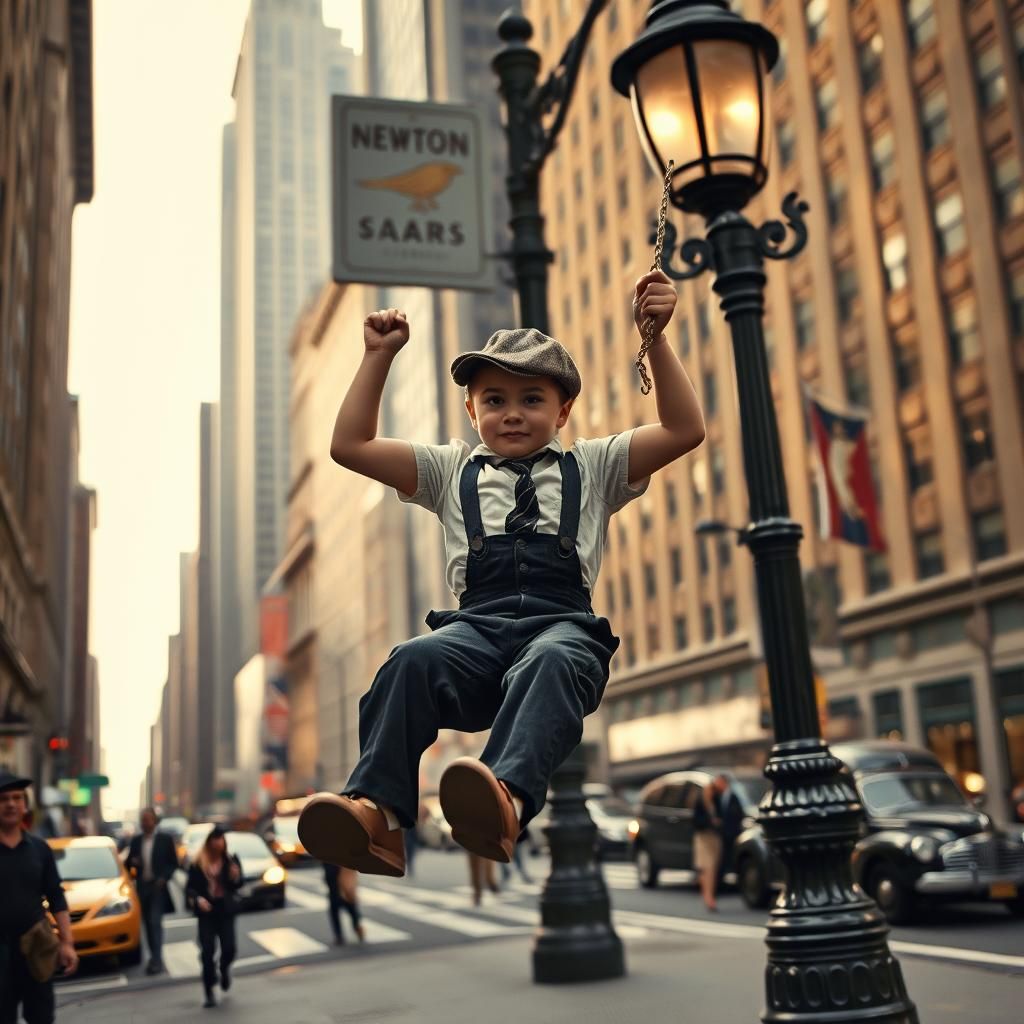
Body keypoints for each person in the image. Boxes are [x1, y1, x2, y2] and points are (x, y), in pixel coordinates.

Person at [297, 270, 703, 877]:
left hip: (559, 629)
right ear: (470, 408)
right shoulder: (446, 471)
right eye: (494, 400)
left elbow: (683, 429)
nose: (512, 414)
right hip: (476, 639)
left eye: (532, 399)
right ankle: (376, 815)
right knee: (409, 659)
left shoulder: (592, 466)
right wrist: (378, 357)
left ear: (564, 410)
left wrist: (658, 339)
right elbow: (350, 446)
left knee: (552, 657)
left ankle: (505, 802)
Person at [0, 770, 78, 1024]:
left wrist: (67, 943)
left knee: (42, 1017)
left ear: (25, 805)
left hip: (37, 949)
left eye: (16, 798)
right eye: (3, 799)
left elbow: (56, 896)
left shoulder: (40, 849)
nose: (11, 804)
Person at [185, 826, 242, 1008]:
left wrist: (235, 877)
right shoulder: (198, 862)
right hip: (206, 911)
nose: (219, 844)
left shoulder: (231, 860)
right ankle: (209, 991)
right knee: (207, 951)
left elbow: (238, 885)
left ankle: (224, 969)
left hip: (224, 910)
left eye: (222, 840)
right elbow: (189, 888)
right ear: (209, 843)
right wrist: (198, 899)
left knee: (229, 948)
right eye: (215, 840)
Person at [125, 807, 178, 975]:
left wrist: (164, 878)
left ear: (155, 821)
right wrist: (133, 862)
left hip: (158, 888)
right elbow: (128, 865)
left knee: (155, 922)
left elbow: (173, 863)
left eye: (147, 819)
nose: (145, 823)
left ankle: (156, 960)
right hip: (142, 888)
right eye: (142, 820)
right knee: (147, 924)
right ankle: (154, 957)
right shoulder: (136, 841)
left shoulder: (165, 840)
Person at [694, 775, 727, 911]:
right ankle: (708, 897)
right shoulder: (701, 799)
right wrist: (710, 822)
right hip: (704, 836)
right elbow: (696, 820)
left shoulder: (717, 798)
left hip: (714, 836)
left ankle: (708, 894)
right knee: (708, 867)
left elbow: (722, 816)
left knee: (711, 868)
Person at [323, 862, 364, 945]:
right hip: (334, 889)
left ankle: (357, 928)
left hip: (343, 888)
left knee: (351, 910)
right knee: (336, 913)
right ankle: (339, 936)